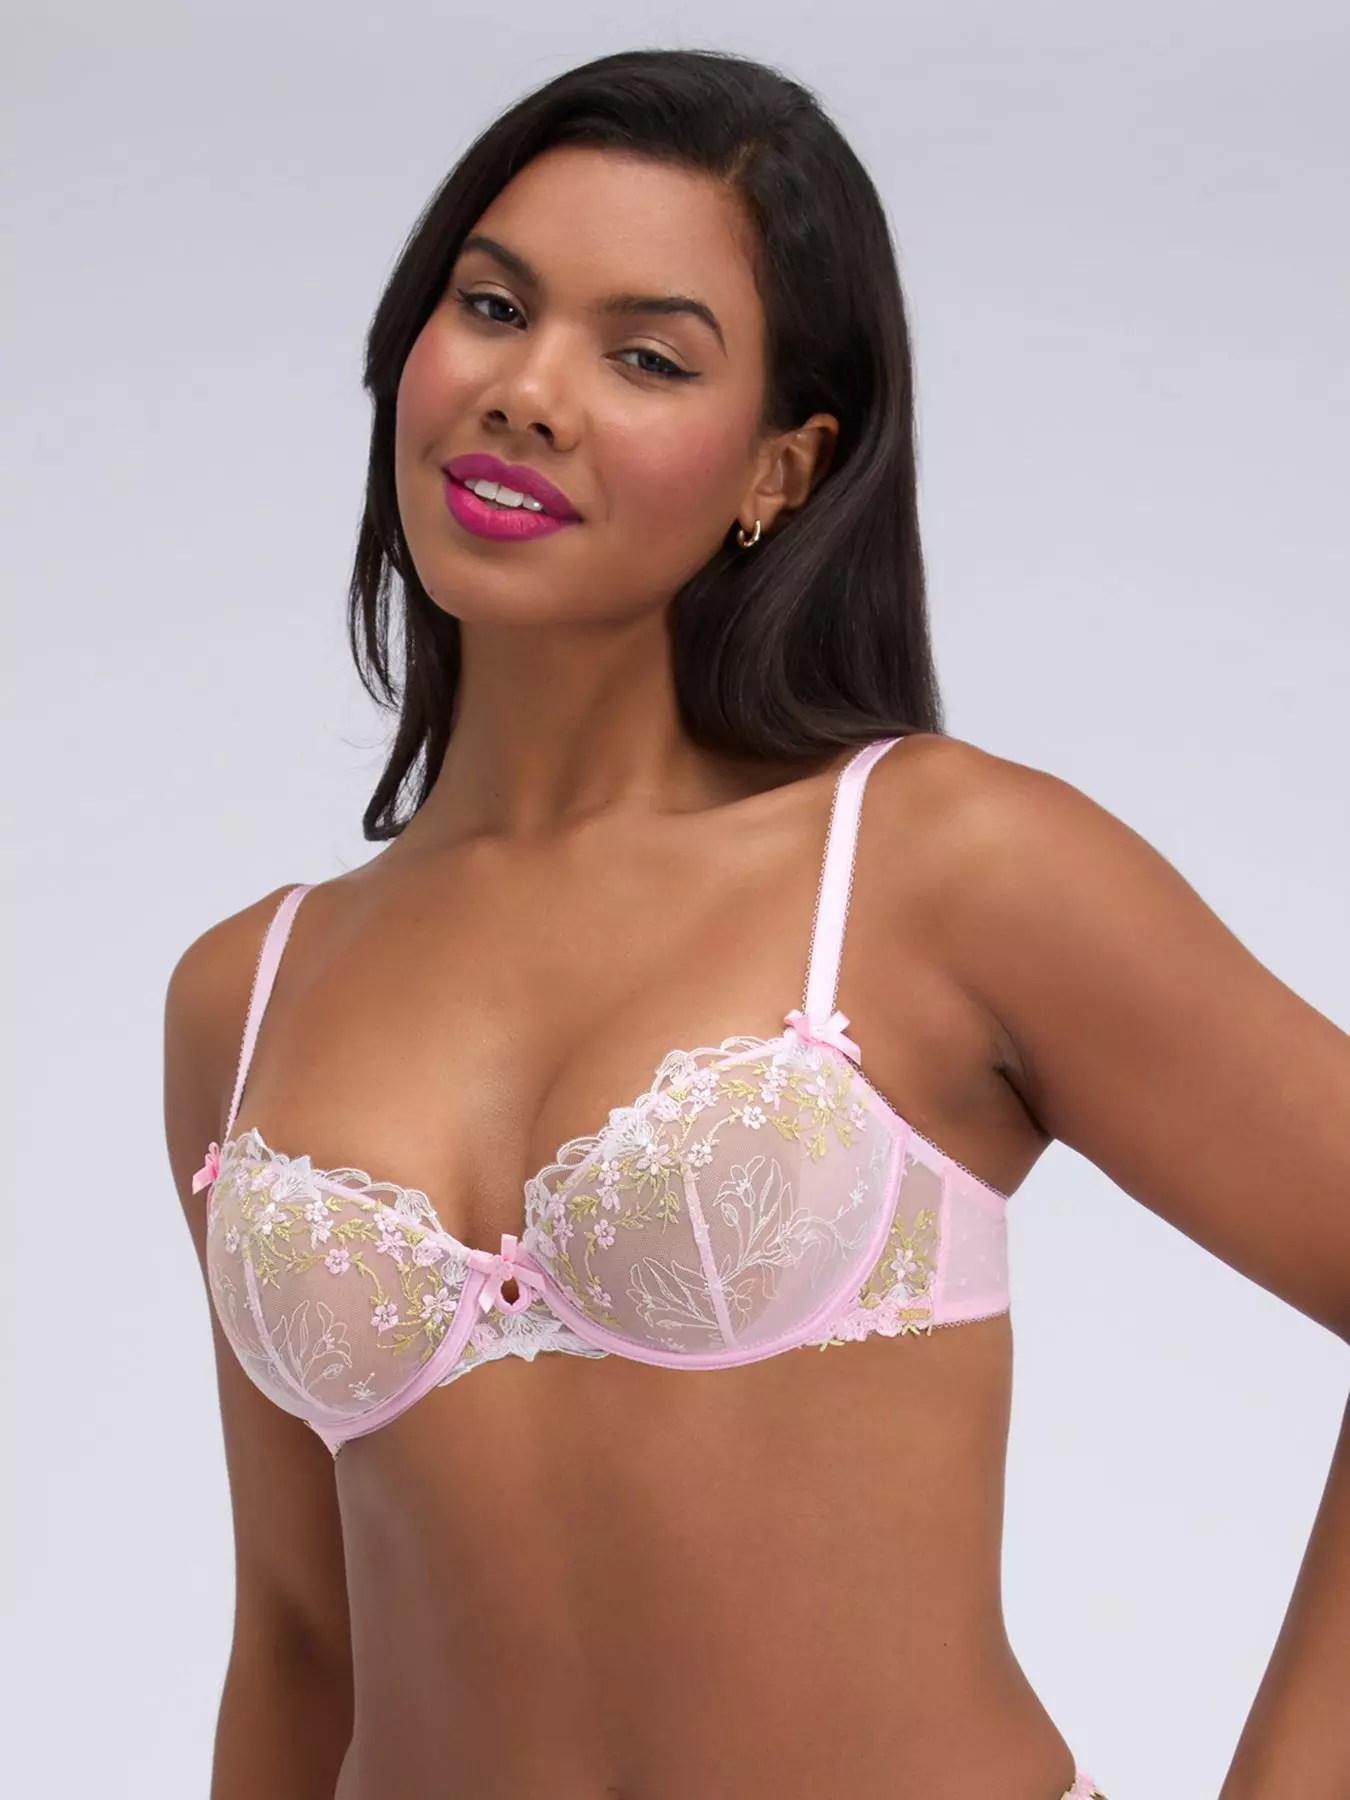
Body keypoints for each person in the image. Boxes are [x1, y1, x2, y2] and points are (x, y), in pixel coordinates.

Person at [164, 46, 1350, 1800]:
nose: (529, 393)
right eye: (492, 306)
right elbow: (296, 1638)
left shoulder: (939, 864)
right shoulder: (247, 991)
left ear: (779, 472)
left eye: (645, 356)